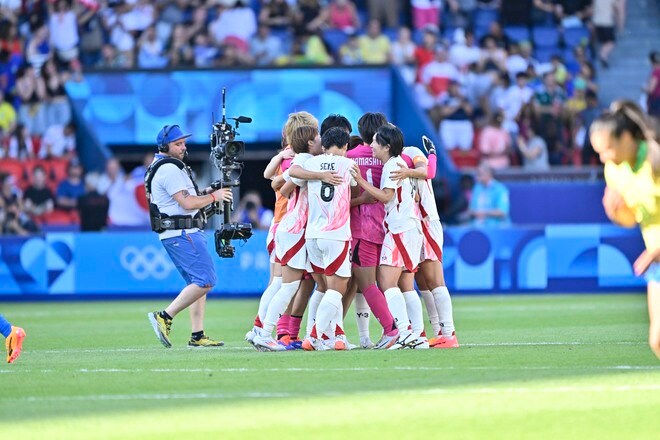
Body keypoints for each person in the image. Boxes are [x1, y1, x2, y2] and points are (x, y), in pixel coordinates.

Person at [146, 124, 233, 349]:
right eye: (177, 144)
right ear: (165, 146)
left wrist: (205, 193)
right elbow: (187, 203)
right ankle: (164, 316)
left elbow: (187, 198)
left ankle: (197, 335)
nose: (183, 147)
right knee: (206, 280)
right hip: (182, 232)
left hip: (180, 231)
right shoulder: (169, 169)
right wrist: (214, 196)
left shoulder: (166, 166)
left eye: (183, 142)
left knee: (198, 283)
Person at [589, 101, 660, 359]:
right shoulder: (614, 171)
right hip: (657, 260)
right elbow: (632, 220)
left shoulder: (656, 162)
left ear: (628, 137)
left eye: (608, 149)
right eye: (598, 152)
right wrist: (616, 213)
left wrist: (656, 250)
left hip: (657, 254)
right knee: (658, 341)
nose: (604, 158)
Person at [351, 124, 425, 349]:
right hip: (410, 228)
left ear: (387, 146)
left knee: (386, 281)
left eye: (375, 142)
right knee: (406, 284)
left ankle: (403, 332)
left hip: (400, 229)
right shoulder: (401, 163)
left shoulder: (392, 165)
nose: (371, 146)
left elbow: (385, 196)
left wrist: (362, 184)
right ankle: (418, 335)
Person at [294, 127, 357, 350]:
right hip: (336, 234)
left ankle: (337, 336)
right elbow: (356, 187)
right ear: (345, 146)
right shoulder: (347, 164)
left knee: (324, 287)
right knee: (337, 288)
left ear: (324, 144)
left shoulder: (311, 163)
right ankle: (313, 335)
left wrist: (318, 175)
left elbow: (294, 171)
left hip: (312, 235)